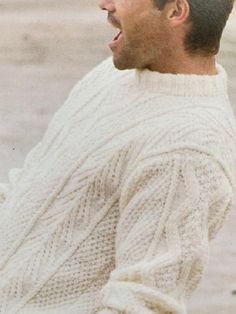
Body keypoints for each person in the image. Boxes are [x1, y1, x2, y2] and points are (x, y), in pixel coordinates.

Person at [0, 0, 235, 313]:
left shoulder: (188, 149)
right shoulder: (114, 75)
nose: (105, 4)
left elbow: (141, 304)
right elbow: (29, 190)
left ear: (176, 11)